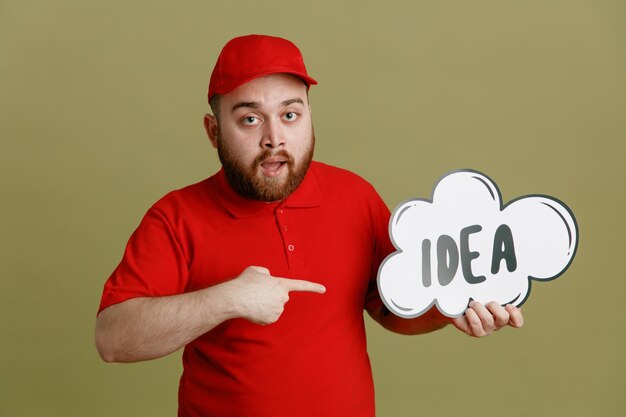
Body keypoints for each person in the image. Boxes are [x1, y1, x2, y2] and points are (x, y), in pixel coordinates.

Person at [95, 34, 523, 417]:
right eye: (249, 119)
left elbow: (390, 308)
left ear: (309, 118)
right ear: (213, 131)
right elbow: (112, 339)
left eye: (290, 115)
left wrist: (450, 309)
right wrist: (228, 299)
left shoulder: (355, 196)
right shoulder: (175, 216)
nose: (274, 139)